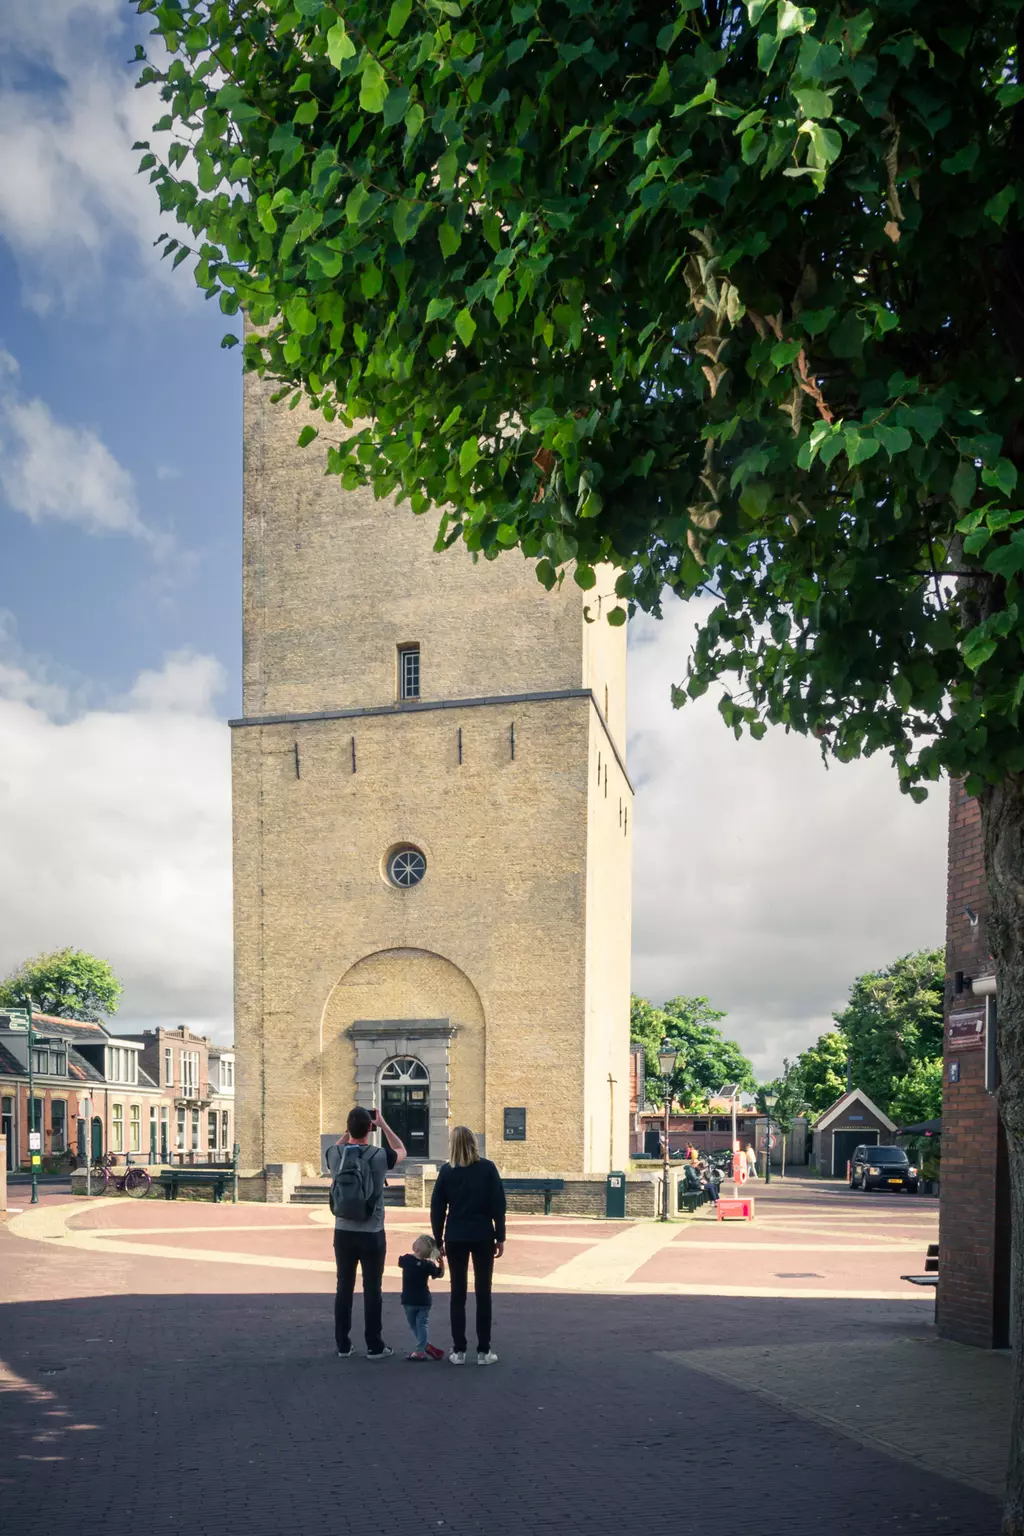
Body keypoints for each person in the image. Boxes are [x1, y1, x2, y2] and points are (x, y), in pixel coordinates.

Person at [326, 1105, 406, 1359]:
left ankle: (342, 1344)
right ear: (370, 1129)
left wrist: (348, 1129)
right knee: (373, 1288)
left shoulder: (335, 1153)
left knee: (343, 1287)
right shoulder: (379, 1155)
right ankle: (374, 1345)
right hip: (372, 1230)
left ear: (349, 1128)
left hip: (343, 1231)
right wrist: (382, 1124)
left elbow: (333, 1148)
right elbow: (402, 1150)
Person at [430, 1125, 506, 1366]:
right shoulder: (487, 1169)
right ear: (474, 1143)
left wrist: (438, 1239)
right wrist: (500, 1236)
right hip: (482, 1235)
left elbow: (437, 1209)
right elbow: (498, 1205)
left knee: (458, 1294)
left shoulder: (447, 1172)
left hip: (456, 1236)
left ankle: (459, 1350)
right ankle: (484, 1351)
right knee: (484, 1293)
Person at [399, 1234, 446, 1361]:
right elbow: (440, 1274)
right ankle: (425, 1345)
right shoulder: (428, 1265)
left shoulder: (407, 1260)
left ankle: (420, 1350)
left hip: (408, 1299)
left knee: (414, 1325)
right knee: (422, 1324)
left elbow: (400, 1261)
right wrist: (441, 1262)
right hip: (424, 1300)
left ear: (417, 1249)